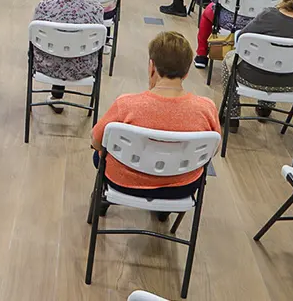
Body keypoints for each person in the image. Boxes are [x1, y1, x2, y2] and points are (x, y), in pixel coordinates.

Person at [91, 32, 219, 208]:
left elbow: (97, 142)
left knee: (99, 157)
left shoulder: (126, 104)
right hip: (181, 187)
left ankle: (103, 205)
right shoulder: (207, 109)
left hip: (123, 182)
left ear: (152, 66)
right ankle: (164, 211)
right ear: (187, 72)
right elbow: (212, 151)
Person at [220, 0, 293, 131]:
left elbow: (242, 40)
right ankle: (265, 108)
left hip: (253, 77)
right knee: (281, 60)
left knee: (229, 58)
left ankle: (232, 115)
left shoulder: (268, 16)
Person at [32, 0, 104, 112]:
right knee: (70, 46)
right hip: (84, 67)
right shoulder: (96, 10)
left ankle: (56, 97)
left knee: (58, 46)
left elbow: (34, 40)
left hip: (47, 66)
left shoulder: (44, 7)